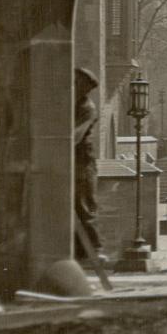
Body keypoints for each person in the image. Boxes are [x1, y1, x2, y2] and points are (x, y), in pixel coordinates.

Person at [73, 67, 106, 263]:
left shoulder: (87, 107)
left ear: (84, 87)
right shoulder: (72, 104)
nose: (73, 85)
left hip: (83, 164)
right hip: (74, 161)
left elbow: (75, 136)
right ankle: (79, 250)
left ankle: (94, 247)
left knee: (84, 204)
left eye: (77, 83)